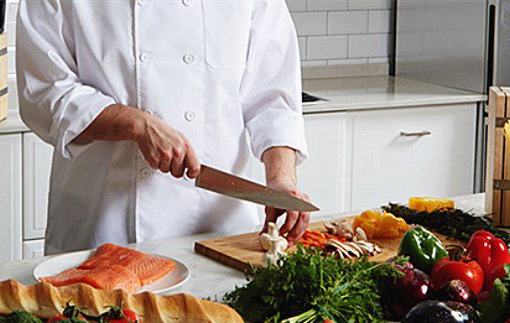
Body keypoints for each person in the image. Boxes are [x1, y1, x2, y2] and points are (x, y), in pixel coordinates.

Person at [16, 0, 311, 254]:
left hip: (219, 229)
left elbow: (273, 100)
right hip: (105, 226)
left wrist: (281, 179)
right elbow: (45, 90)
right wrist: (136, 124)